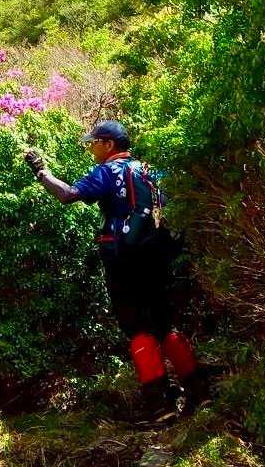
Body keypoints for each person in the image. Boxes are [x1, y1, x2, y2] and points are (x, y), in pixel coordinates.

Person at [24, 119, 209, 421]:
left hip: (124, 259)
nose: (91, 148)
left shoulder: (107, 171)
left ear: (109, 145)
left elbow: (68, 194)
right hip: (158, 256)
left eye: (94, 142)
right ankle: (199, 394)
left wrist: (41, 172)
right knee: (165, 325)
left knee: (137, 328)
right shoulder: (149, 170)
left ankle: (160, 406)